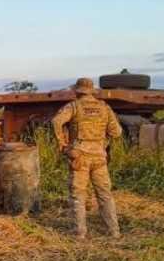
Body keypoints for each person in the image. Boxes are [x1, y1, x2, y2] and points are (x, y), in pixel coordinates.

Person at [51, 77, 122, 238]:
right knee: (105, 194)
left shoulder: (73, 106)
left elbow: (56, 122)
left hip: (79, 156)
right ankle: (114, 231)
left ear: (77, 91)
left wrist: (62, 144)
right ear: (92, 91)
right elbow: (117, 132)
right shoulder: (104, 107)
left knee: (78, 195)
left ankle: (80, 233)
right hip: (99, 157)